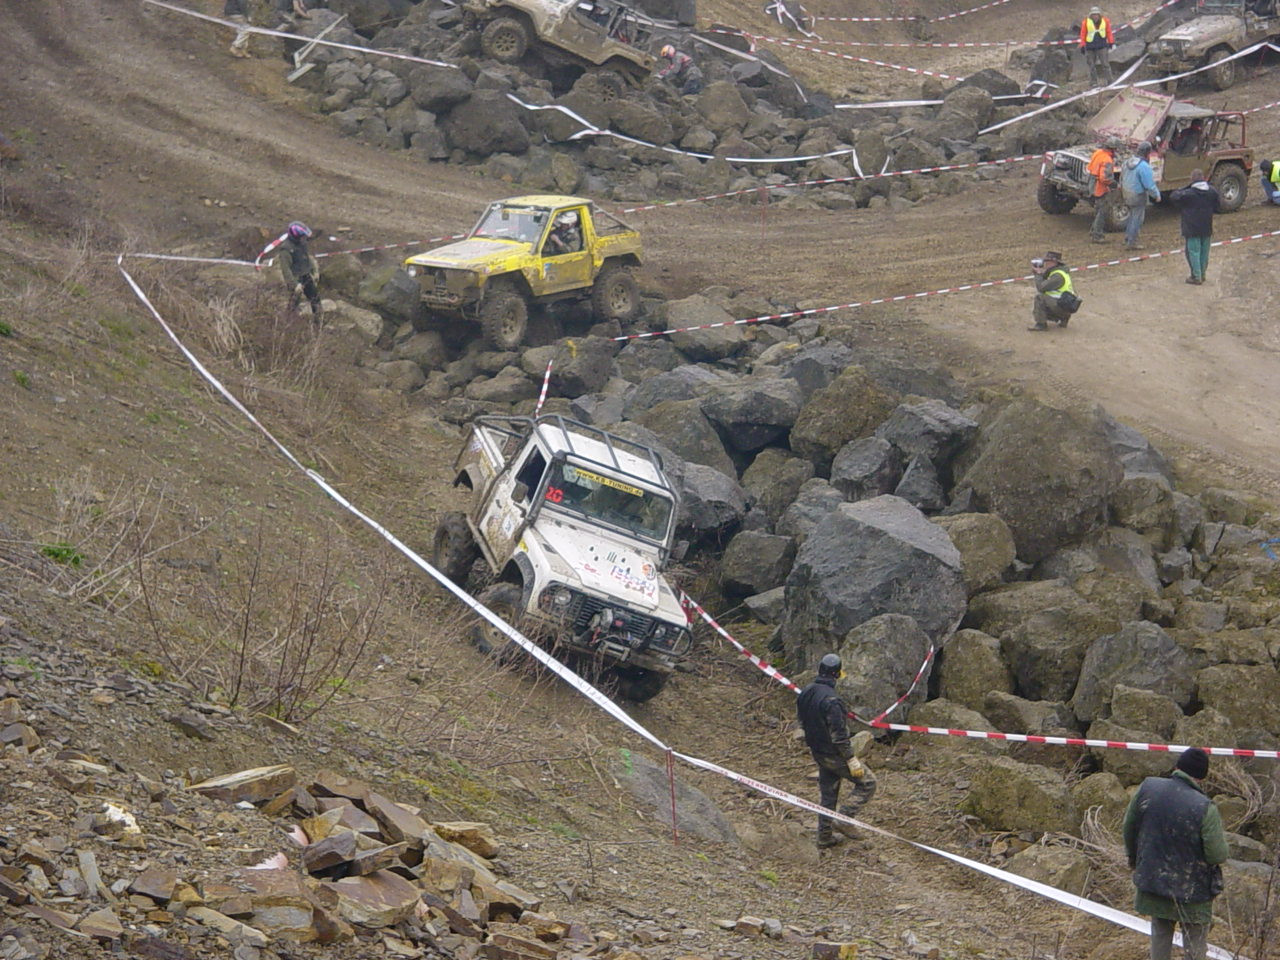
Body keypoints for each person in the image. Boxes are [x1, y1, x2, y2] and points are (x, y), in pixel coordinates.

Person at [1123, 748, 1228, 960]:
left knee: (1160, 937)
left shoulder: (1148, 788)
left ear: (1177, 767)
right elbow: (1217, 854)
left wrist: (1135, 860)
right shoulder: (1205, 807)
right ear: (1201, 777)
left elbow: (1129, 827)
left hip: (1154, 881)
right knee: (1195, 946)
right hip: (1194, 892)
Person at [796, 654, 877, 850]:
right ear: (836, 674)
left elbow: (801, 721)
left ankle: (824, 837)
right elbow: (839, 736)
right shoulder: (832, 700)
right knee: (868, 783)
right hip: (834, 754)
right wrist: (851, 759)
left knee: (829, 795)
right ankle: (844, 818)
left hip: (818, 751)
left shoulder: (806, 691)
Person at [1169, 169, 1219, 285]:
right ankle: (1202, 274)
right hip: (1207, 225)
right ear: (1204, 178)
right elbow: (1217, 204)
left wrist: (1186, 187)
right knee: (1204, 252)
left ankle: (1196, 276)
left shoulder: (1188, 194)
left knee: (1193, 252)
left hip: (1191, 227)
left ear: (1192, 180)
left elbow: (1174, 196)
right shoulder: (1212, 192)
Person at [1121, 141, 1161, 250]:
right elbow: (1149, 185)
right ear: (1147, 153)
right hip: (1138, 195)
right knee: (1137, 219)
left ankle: (1128, 237)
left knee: (1131, 216)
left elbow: (1122, 176)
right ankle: (1132, 242)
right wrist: (1157, 195)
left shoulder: (1127, 162)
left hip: (1126, 193)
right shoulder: (1144, 166)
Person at [279, 221, 322, 320]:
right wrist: (294, 284)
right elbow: (286, 269)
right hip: (296, 278)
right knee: (293, 305)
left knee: (315, 299)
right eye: (301, 235)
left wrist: (314, 271)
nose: (303, 238)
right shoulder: (286, 249)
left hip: (306, 276)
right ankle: (288, 323)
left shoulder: (302, 243)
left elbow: (307, 258)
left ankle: (319, 322)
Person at [1030, 250, 1076, 331]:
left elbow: (1041, 287)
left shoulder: (1057, 276)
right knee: (1047, 299)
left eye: (1047, 261)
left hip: (1062, 305)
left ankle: (1041, 324)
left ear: (1054, 262)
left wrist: (1038, 274)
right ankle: (1064, 318)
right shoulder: (1059, 272)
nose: (1045, 263)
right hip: (1066, 304)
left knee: (1040, 297)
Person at [1087, 137, 1122, 243]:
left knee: (1098, 209)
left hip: (1092, 183)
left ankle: (1093, 231)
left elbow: (1090, 168)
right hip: (1100, 187)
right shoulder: (1107, 160)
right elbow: (1105, 178)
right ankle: (1097, 235)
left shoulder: (1097, 153)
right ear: (1113, 148)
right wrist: (1115, 184)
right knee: (1103, 211)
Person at [1079, 5, 1115, 86]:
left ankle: (1110, 81)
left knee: (1105, 64)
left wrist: (1111, 42)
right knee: (1091, 65)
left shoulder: (1105, 21)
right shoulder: (1085, 22)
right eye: (1093, 14)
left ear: (1099, 14)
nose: (1095, 16)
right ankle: (1093, 82)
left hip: (1102, 45)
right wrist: (1082, 45)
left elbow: (1109, 32)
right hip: (1090, 46)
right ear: (1091, 15)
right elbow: (1083, 34)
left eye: (1096, 14)